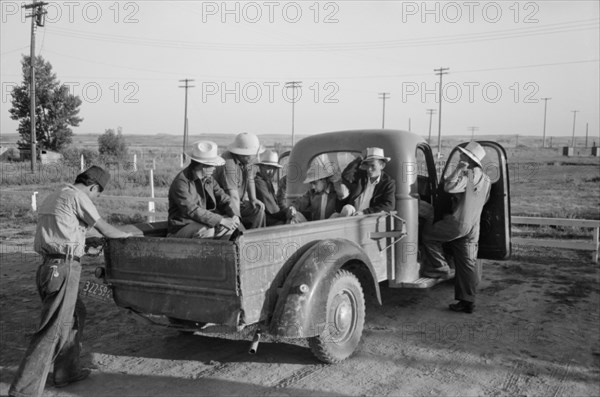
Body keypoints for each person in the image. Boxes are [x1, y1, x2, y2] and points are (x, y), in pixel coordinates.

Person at [9, 166, 131, 397]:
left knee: (76, 314)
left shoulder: (56, 196)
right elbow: (105, 228)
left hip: (49, 267)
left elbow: (60, 234)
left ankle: (67, 371)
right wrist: (125, 236)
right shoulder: (78, 196)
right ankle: (24, 390)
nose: (94, 198)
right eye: (96, 194)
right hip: (64, 269)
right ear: (93, 187)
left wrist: (82, 244)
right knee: (51, 330)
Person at [420, 141, 491, 314]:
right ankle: (467, 302)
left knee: (429, 235)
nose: (460, 156)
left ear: (469, 159)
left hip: (458, 221)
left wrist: (459, 169)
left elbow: (449, 186)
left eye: (463, 155)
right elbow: (485, 199)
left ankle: (440, 267)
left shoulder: (467, 174)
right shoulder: (487, 179)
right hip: (474, 224)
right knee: (466, 263)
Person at [168, 140, 241, 239]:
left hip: (203, 223)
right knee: (207, 229)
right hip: (181, 228)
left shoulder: (209, 180)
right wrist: (220, 220)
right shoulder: (181, 182)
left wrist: (234, 214)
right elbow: (192, 210)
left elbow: (223, 198)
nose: (214, 168)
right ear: (202, 166)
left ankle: (218, 252)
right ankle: (207, 253)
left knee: (231, 224)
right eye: (212, 165)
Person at [214, 132, 266, 229]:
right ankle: (242, 237)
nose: (253, 156)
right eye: (251, 154)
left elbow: (250, 178)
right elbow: (233, 196)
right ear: (243, 154)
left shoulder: (247, 161)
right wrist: (236, 217)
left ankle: (256, 238)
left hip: (238, 202)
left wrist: (253, 198)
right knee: (238, 227)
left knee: (258, 209)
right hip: (223, 206)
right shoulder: (228, 163)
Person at [340, 147, 396, 215]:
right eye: (367, 165)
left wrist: (364, 213)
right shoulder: (361, 175)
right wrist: (360, 158)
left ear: (382, 166)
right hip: (352, 214)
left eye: (372, 165)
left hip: (369, 219)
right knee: (345, 210)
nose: (369, 169)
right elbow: (346, 175)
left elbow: (388, 206)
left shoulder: (388, 183)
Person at [254, 150, 288, 226]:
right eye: (269, 167)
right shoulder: (259, 183)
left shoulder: (267, 181)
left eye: (274, 168)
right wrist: (287, 213)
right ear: (261, 167)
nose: (271, 172)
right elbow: (273, 210)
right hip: (265, 220)